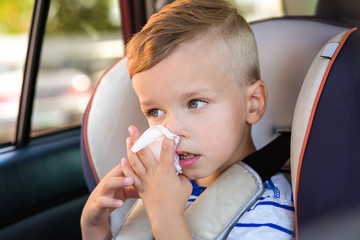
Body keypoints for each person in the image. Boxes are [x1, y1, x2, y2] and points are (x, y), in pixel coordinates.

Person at [80, 0, 295, 239]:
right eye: (155, 112)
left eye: (195, 103)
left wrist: (165, 216)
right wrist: (95, 227)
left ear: (252, 103)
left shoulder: (268, 212)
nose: (171, 130)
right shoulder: (160, 191)